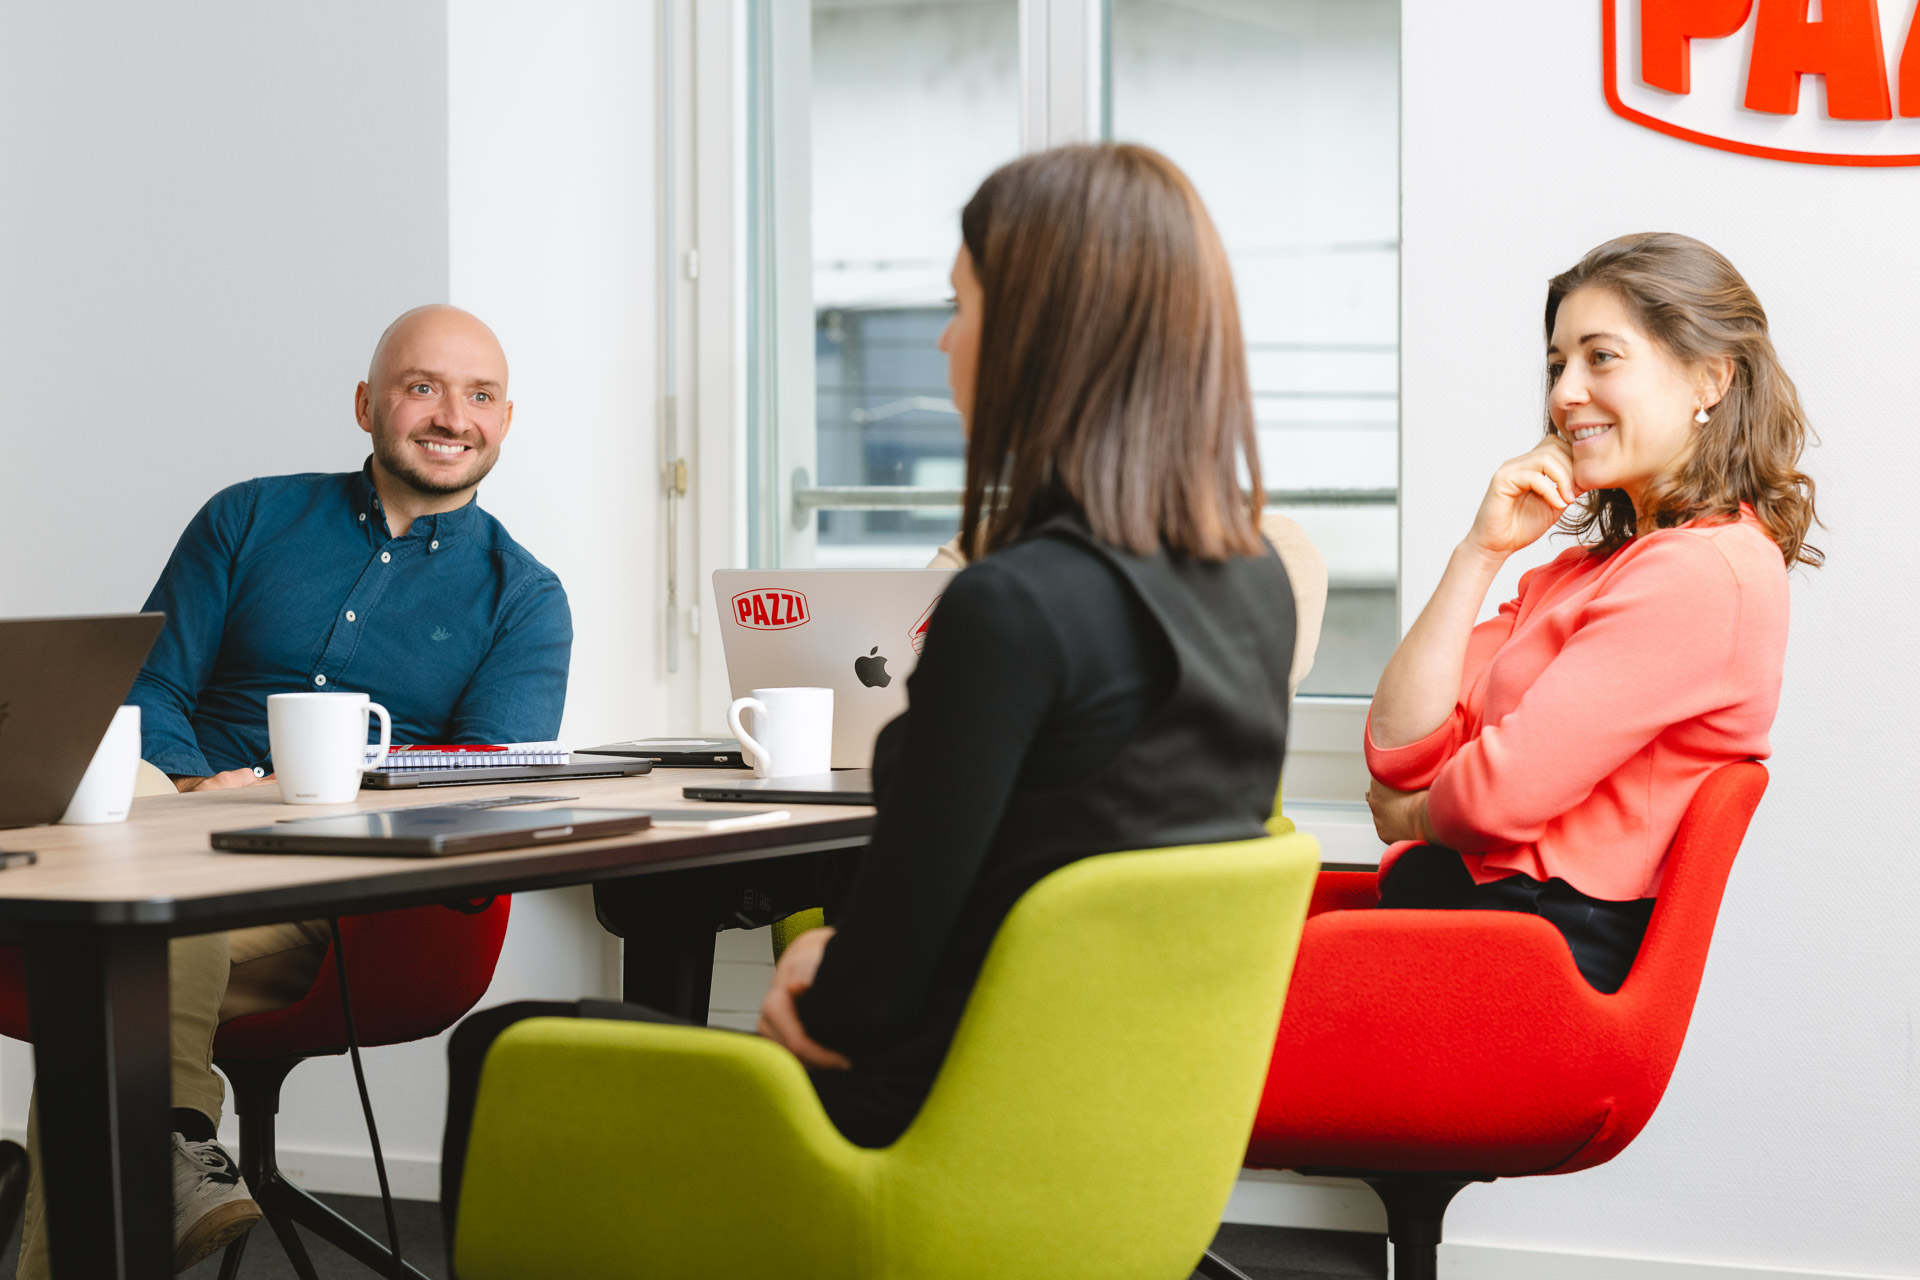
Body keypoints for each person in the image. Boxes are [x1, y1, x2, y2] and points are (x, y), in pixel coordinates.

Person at [441, 141, 1295, 1208]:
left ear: (1038, 335)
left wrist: (825, 967)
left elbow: (865, 998)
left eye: (958, 303)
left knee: (507, 1042)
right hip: (1114, 1157)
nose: (943, 339)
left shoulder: (1013, 608)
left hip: (913, 1134)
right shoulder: (1254, 585)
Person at [18, 305, 572, 1278]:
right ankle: (174, 1145)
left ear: (506, 419)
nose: (452, 415)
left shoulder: (522, 596)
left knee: (122, 939)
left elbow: (484, 781)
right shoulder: (249, 517)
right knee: (129, 807)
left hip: (344, 888)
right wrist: (198, 784)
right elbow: (151, 685)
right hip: (176, 808)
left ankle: (162, 1143)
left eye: (479, 394)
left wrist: (308, 795)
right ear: (367, 403)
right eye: (422, 386)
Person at [1362, 233, 1818, 994]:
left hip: (1535, 955)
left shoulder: (1706, 572)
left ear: (1710, 377)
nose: (1563, 393)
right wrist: (1480, 553)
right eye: (1556, 365)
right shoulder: (1581, 573)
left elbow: (1495, 796)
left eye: (1600, 357)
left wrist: (1412, 821)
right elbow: (1401, 751)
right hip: (1475, 928)